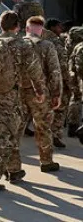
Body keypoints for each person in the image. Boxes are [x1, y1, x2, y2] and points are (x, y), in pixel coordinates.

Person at [0, 11, 45, 191]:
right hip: (8, 95)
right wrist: (40, 91)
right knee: (3, 136)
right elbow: (35, 71)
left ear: (0, 25)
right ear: (17, 26)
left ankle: (14, 170)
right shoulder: (21, 44)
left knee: (10, 132)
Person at [17, 17, 62, 176]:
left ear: (27, 29)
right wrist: (56, 94)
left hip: (18, 92)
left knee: (16, 128)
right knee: (43, 127)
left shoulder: (16, 44)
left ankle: (13, 166)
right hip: (40, 93)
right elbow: (54, 72)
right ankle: (46, 161)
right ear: (41, 31)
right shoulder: (47, 45)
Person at [43, 18, 72, 147]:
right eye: (59, 26)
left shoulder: (39, 40)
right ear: (53, 27)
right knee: (60, 109)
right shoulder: (56, 42)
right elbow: (63, 65)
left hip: (42, 80)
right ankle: (55, 135)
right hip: (56, 80)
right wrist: (68, 82)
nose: (61, 29)